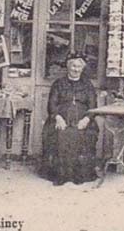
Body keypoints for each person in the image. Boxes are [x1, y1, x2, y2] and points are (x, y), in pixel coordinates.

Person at [40, 52, 99, 185]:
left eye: (79, 67)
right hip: (61, 119)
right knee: (60, 134)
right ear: (68, 67)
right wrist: (57, 117)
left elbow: (93, 106)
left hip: (82, 120)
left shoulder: (87, 85)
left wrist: (86, 119)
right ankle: (60, 175)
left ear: (82, 68)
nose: (75, 69)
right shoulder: (58, 83)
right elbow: (52, 104)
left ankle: (78, 175)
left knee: (81, 135)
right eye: (73, 66)